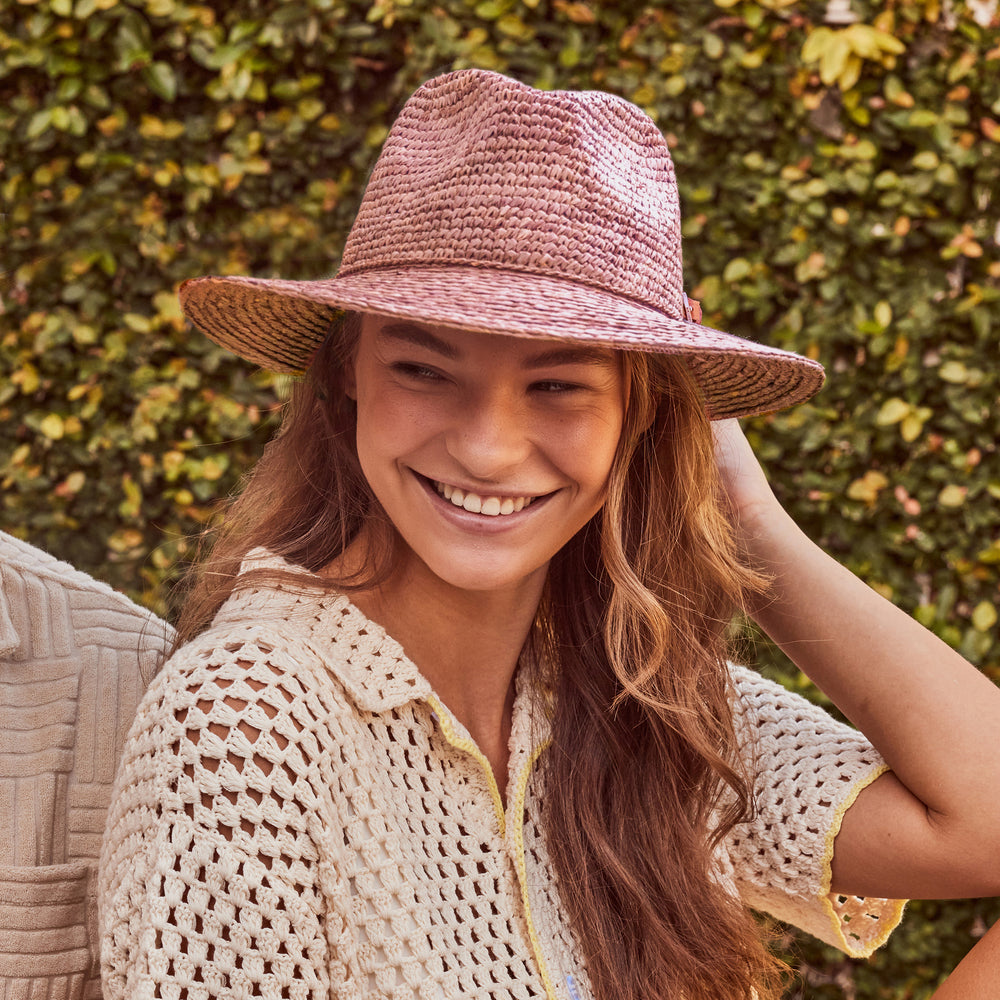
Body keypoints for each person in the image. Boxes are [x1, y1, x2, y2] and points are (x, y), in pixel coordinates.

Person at [98, 69, 1000, 1000]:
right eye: (424, 369)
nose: (489, 449)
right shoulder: (249, 719)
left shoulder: (629, 685)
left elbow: (986, 821)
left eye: (559, 385)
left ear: (639, 412)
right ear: (347, 376)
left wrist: (747, 522)